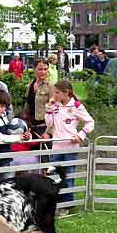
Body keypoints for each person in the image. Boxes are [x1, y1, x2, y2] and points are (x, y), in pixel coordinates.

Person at [43, 79, 95, 215]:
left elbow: (90, 122)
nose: (55, 95)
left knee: (68, 176)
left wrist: (81, 135)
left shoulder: (76, 106)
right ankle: (55, 202)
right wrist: (48, 109)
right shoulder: (56, 106)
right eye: (54, 92)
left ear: (67, 93)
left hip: (70, 147)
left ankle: (67, 204)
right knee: (53, 175)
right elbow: (49, 124)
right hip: (56, 146)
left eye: (57, 92)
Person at [0, 90, 31, 182]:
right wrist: (17, 137)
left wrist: (25, 136)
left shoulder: (3, 116)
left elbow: (9, 133)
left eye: (2, 106)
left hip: (5, 157)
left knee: (8, 183)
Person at [22, 58, 54, 141]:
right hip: (31, 128)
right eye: (40, 69)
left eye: (45, 69)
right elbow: (27, 105)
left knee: (44, 153)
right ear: (34, 69)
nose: (43, 72)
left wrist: (49, 132)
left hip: (44, 127)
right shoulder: (30, 86)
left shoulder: (51, 87)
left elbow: (56, 112)